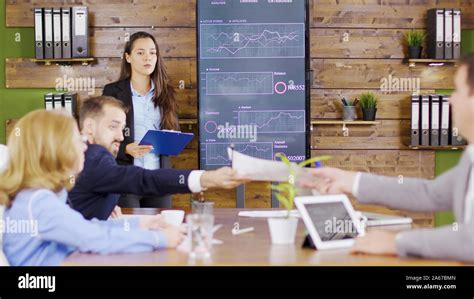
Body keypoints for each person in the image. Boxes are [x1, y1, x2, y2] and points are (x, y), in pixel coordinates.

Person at [300, 53, 474, 262]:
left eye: (457, 90)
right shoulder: (470, 158)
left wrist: (396, 242)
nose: (450, 100)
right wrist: (350, 181)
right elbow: (429, 193)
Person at [0, 110, 185, 266]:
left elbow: (84, 227)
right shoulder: (39, 202)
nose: (84, 147)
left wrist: (140, 224)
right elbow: (93, 238)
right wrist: (159, 239)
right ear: (55, 149)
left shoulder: (36, 195)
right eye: (77, 139)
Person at [69, 96, 248, 220]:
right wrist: (206, 178)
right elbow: (141, 179)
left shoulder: (82, 153)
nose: (121, 137)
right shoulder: (93, 156)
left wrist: (104, 207)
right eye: (113, 126)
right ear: (90, 126)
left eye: (122, 128)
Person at [103, 31, 179, 209]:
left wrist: (173, 138)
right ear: (128, 57)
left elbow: (173, 130)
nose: (148, 58)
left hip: (158, 179)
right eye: (141, 53)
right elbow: (102, 136)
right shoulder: (112, 92)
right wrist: (126, 149)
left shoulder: (166, 92)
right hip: (126, 178)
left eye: (152, 53)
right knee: (130, 231)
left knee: (159, 232)